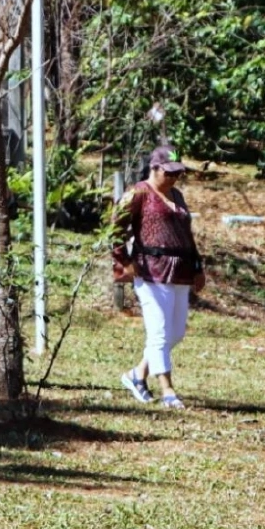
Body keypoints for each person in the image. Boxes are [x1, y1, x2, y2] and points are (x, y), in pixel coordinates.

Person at [112, 145, 207, 410]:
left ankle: (136, 374)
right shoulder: (139, 193)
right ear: (154, 168)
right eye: (169, 173)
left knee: (176, 332)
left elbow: (187, 236)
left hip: (180, 271)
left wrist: (198, 267)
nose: (174, 178)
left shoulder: (177, 195)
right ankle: (168, 390)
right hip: (151, 270)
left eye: (178, 173)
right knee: (159, 332)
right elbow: (115, 229)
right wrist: (124, 262)